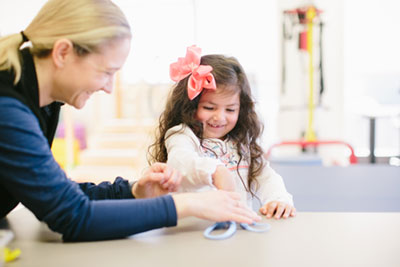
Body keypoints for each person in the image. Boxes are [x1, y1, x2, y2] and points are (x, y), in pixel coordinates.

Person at [0, 0, 260, 242]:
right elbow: (72, 216)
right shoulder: (9, 109)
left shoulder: (37, 100)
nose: (109, 88)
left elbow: (61, 194)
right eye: (106, 72)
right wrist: (187, 204)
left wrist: (135, 191)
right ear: (63, 53)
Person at [149, 46, 296, 220]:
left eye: (230, 109)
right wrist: (214, 170)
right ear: (190, 105)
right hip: (192, 232)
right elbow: (180, 160)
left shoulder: (241, 142)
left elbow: (265, 176)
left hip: (236, 230)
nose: (219, 117)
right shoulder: (181, 135)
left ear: (241, 110)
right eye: (209, 107)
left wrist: (278, 199)